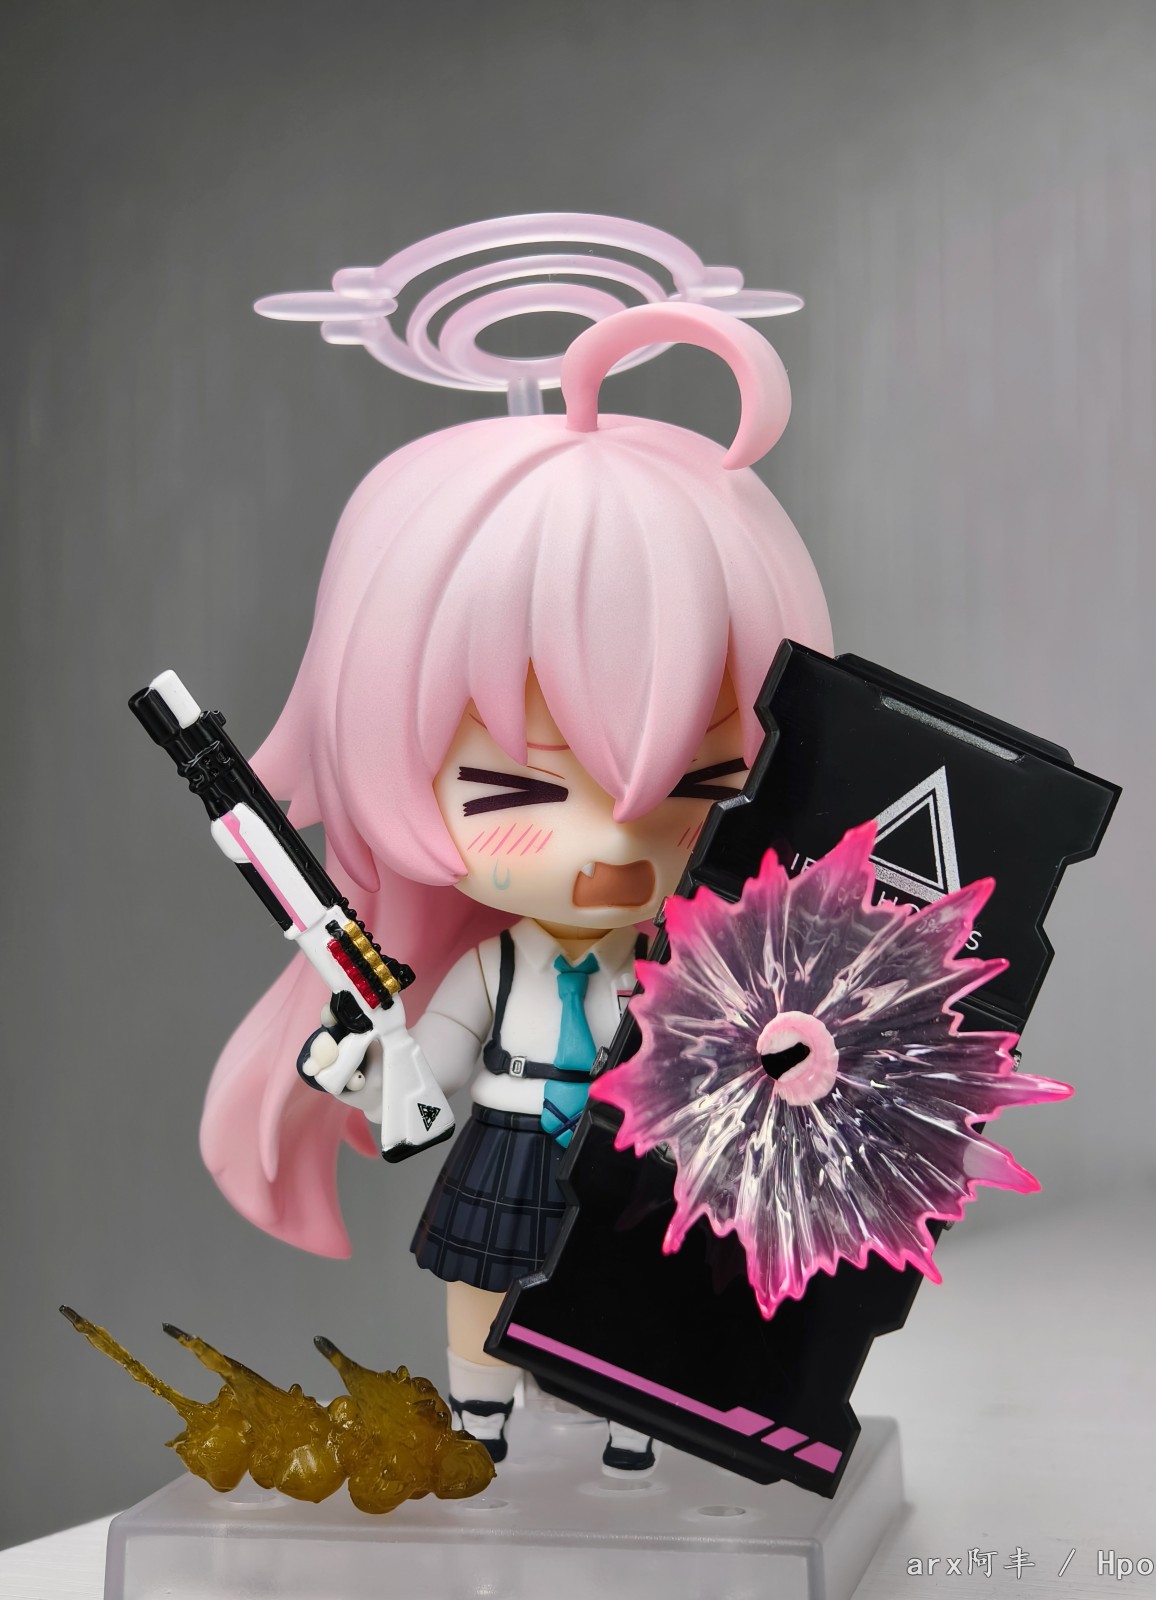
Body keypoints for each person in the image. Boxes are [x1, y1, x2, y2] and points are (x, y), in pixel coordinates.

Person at [200, 298, 833, 1468]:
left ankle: (635, 1419)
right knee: (484, 1279)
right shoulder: (497, 968)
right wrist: (369, 1067)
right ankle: (483, 1418)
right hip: (510, 1125)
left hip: (639, 1149)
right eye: (522, 789)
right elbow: (431, 1082)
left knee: (630, 1290)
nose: (617, 835)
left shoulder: (689, 967)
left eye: (695, 782)